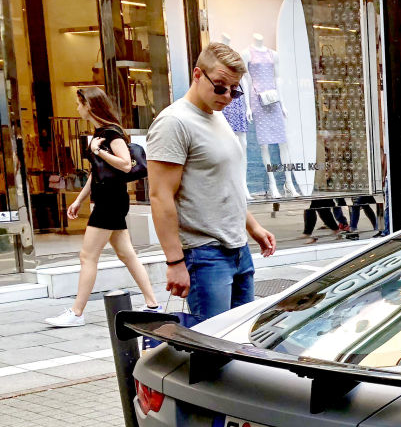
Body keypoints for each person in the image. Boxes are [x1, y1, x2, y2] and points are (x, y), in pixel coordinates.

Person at [148, 43, 276, 324]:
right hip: (205, 254)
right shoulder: (174, 122)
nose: (228, 96)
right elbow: (160, 196)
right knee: (214, 346)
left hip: (238, 250)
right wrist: (174, 262)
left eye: (235, 89)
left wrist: (252, 227)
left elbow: (222, 184)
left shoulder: (217, 117)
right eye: (220, 86)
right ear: (197, 74)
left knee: (241, 340)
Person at [44, 88, 160, 327]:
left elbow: (126, 165)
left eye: (79, 104)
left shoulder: (111, 133)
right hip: (109, 200)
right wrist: (79, 200)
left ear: (89, 105)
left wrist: (98, 151)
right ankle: (153, 305)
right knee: (127, 254)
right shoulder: (100, 133)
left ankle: (77, 313)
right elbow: (95, 174)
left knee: (88, 256)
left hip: (110, 202)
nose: (77, 108)